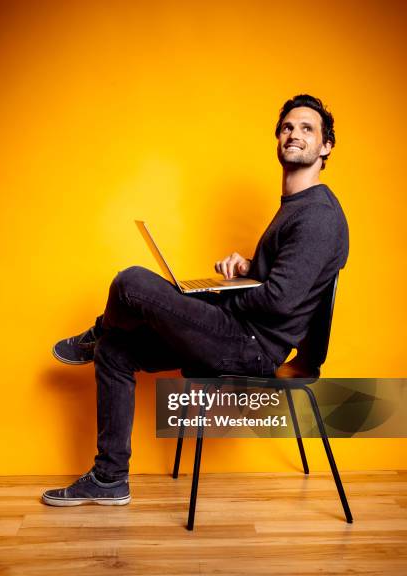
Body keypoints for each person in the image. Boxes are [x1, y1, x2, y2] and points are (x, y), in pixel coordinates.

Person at [42, 94, 349, 507]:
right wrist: (246, 268)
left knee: (131, 282)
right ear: (277, 138)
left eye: (307, 129)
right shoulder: (295, 208)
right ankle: (109, 478)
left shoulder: (319, 215)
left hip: (254, 348)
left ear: (325, 146)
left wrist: (209, 303)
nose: (294, 134)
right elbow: (282, 275)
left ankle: (98, 331)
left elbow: (279, 300)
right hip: (239, 333)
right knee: (116, 352)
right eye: (287, 127)